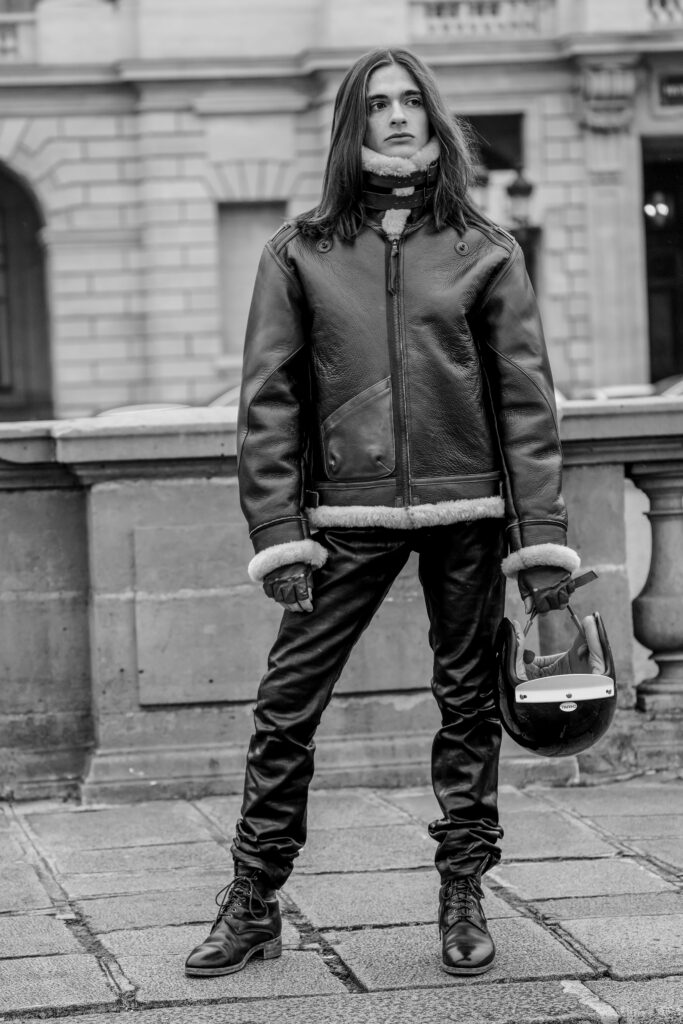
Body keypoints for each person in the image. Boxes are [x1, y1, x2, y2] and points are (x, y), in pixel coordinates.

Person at [185, 47, 579, 980]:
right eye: (376, 104)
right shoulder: (300, 250)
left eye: (410, 101)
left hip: (466, 508)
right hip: (343, 517)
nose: (396, 116)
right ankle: (253, 898)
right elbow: (269, 401)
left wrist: (539, 541)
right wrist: (280, 532)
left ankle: (462, 892)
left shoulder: (486, 249)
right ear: (350, 125)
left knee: (467, 703)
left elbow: (525, 404)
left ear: (433, 116)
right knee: (286, 705)